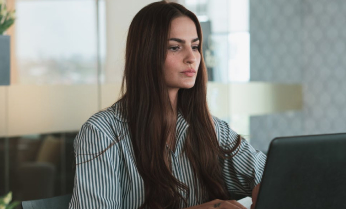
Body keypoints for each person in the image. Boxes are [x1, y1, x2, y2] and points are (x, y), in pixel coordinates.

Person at [69, 1, 266, 209]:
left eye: (196, 46)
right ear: (147, 53)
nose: (192, 58)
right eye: (175, 47)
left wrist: (270, 190)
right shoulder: (101, 133)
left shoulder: (211, 129)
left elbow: (272, 174)